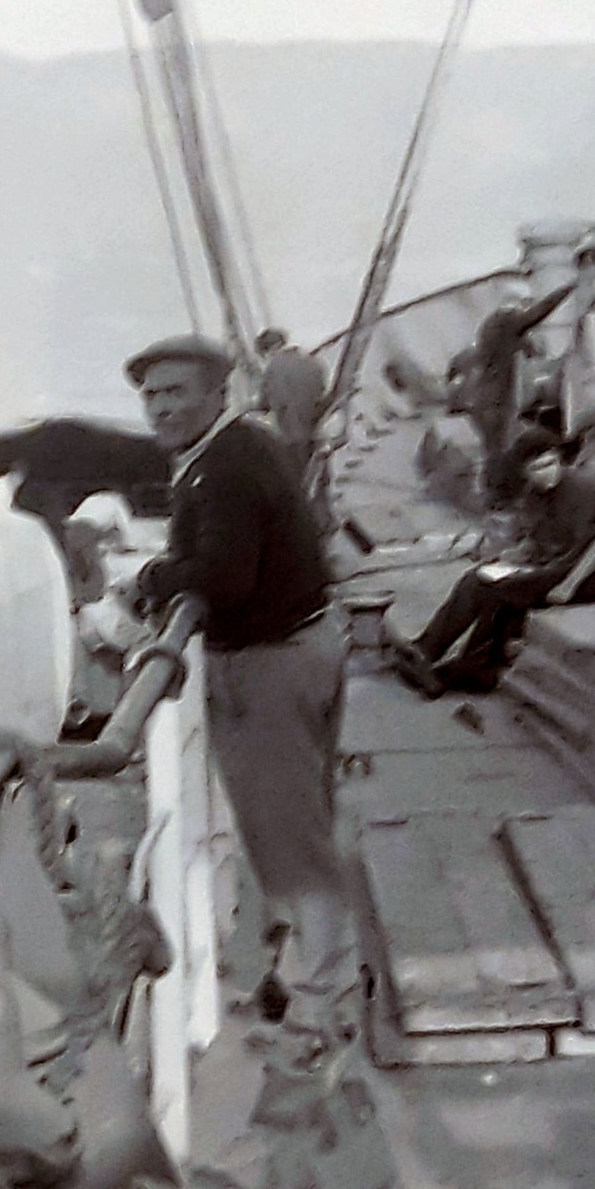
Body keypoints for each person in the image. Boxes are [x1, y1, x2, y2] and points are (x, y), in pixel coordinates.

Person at [45, 334, 352, 1029]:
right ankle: (298, 971)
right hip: (301, 646)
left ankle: (318, 1006)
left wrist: (151, 579)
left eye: (176, 392)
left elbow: (225, 579)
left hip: (272, 665)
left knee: (290, 839)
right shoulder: (232, 449)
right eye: (151, 396)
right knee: (297, 825)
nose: (161, 408)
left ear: (218, 394)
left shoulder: (226, 467)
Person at [389, 420, 595, 697]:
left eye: (550, 463)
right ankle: (428, 650)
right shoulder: (547, 492)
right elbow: (536, 535)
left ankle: (470, 668)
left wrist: (565, 582)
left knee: (498, 591)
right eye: (536, 467)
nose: (585, 461)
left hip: (586, 574)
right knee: (477, 579)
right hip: (562, 565)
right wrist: (517, 555)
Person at [466, 278, 575, 505]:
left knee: (494, 449)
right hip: (494, 401)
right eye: (525, 302)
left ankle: (496, 497)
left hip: (488, 399)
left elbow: (527, 350)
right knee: (498, 450)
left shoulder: (495, 327)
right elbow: (539, 313)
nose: (526, 308)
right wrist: (569, 287)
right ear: (514, 302)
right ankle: (498, 498)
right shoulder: (505, 320)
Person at [255, 327, 328, 484]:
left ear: (267, 350)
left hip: (294, 435)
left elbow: (264, 404)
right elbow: (322, 389)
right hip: (318, 429)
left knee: (303, 483)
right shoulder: (311, 361)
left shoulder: (272, 370)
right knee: (321, 479)